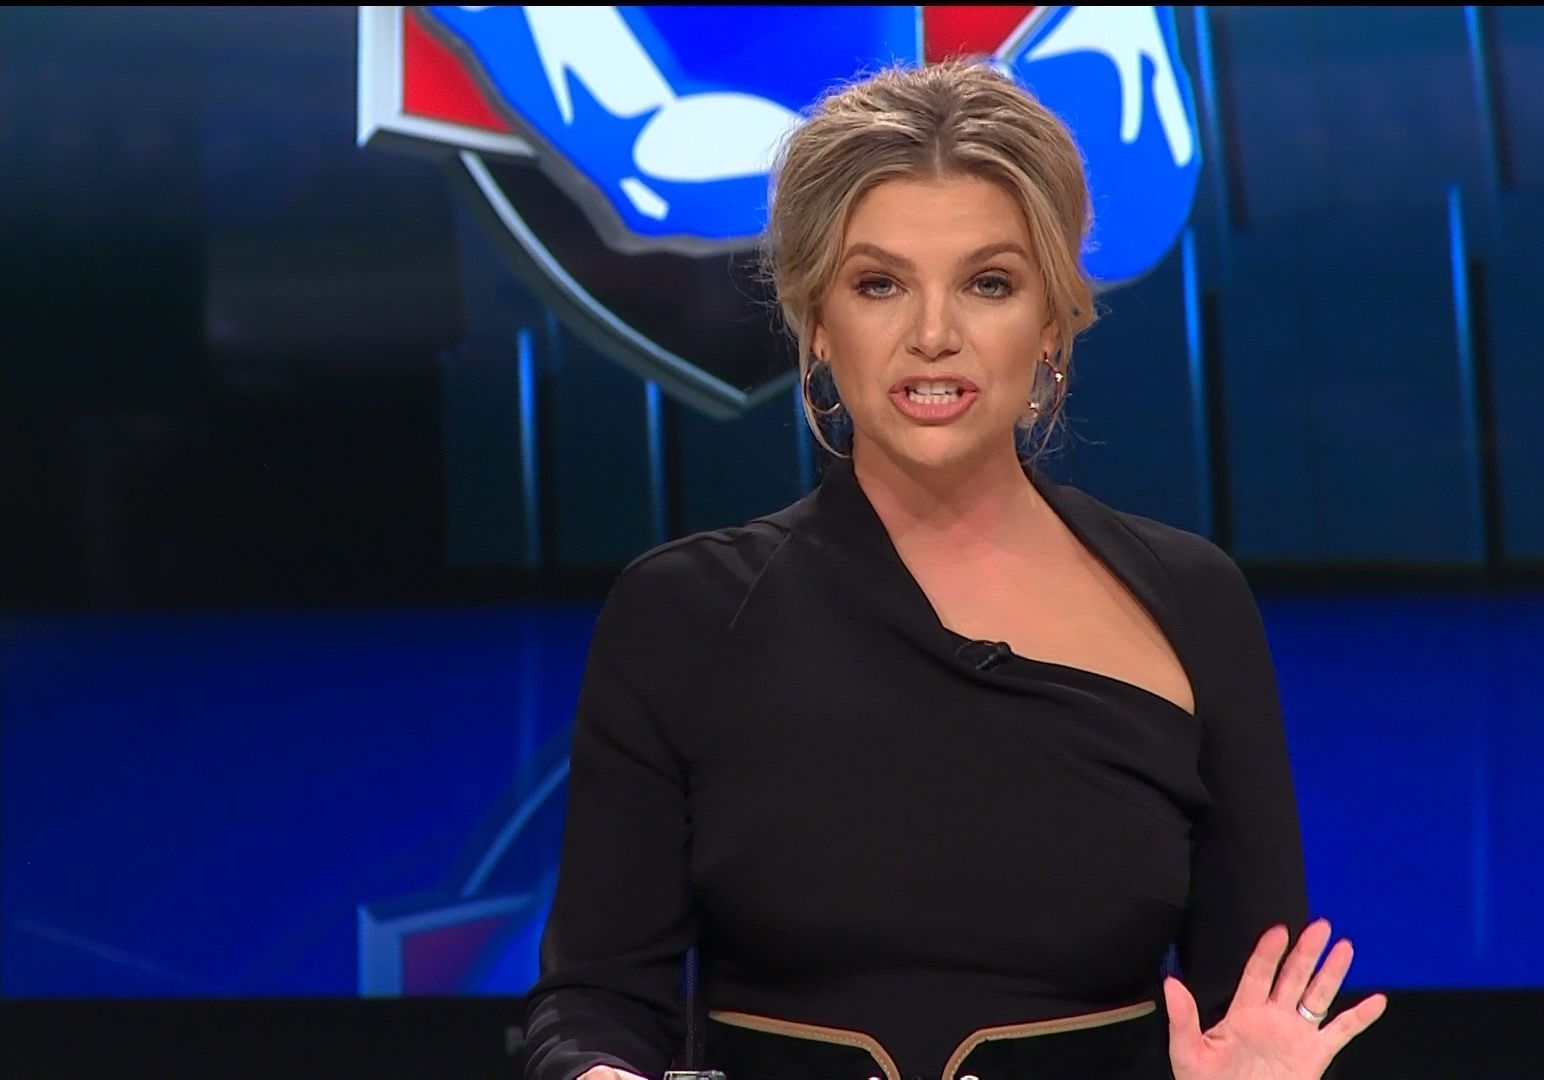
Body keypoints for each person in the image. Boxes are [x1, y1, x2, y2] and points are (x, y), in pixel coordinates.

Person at [520, 58, 1386, 1080]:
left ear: (1052, 323)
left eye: (989, 284)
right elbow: (595, 1000)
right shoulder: (683, 613)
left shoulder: (1191, 602)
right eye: (879, 285)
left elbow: (1253, 1006)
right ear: (817, 324)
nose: (933, 336)